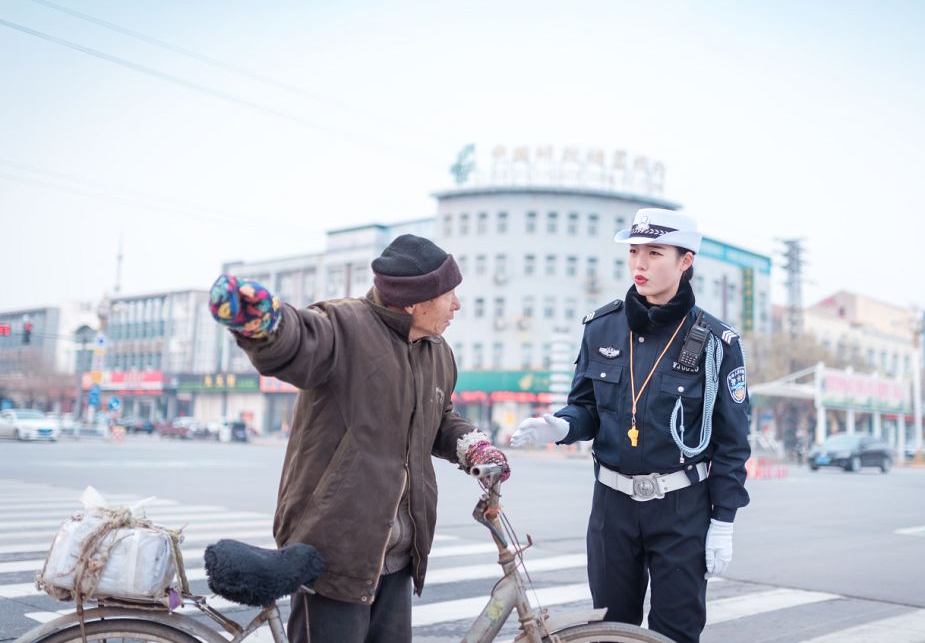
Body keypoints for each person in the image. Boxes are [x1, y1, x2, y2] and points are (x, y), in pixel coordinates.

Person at [208, 233, 510, 642]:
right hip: (337, 552)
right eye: (449, 294)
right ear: (415, 300)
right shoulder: (344, 326)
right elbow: (299, 340)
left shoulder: (436, 351)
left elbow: (437, 418)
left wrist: (471, 444)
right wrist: (267, 325)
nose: (457, 304)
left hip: (399, 555)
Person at [510, 208, 751, 643]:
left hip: (681, 509)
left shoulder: (716, 343)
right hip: (612, 508)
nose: (639, 263)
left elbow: (732, 443)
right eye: (634, 251)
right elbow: (585, 407)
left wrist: (724, 521)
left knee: (675, 632)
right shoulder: (602, 327)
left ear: (685, 261)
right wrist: (562, 427)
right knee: (608, 631)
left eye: (654, 253)